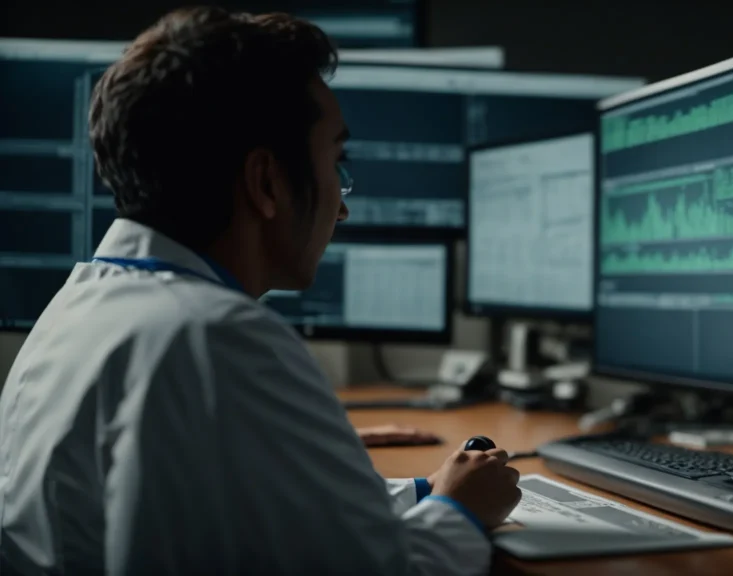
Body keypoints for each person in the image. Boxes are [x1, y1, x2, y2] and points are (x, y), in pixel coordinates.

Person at [0, 7, 520, 576]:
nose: (341, 206)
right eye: (335, 163)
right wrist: (460, 512)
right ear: (266, 182)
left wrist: (426, 490)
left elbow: (257, 511)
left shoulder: (80, 306)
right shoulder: (217, 337)